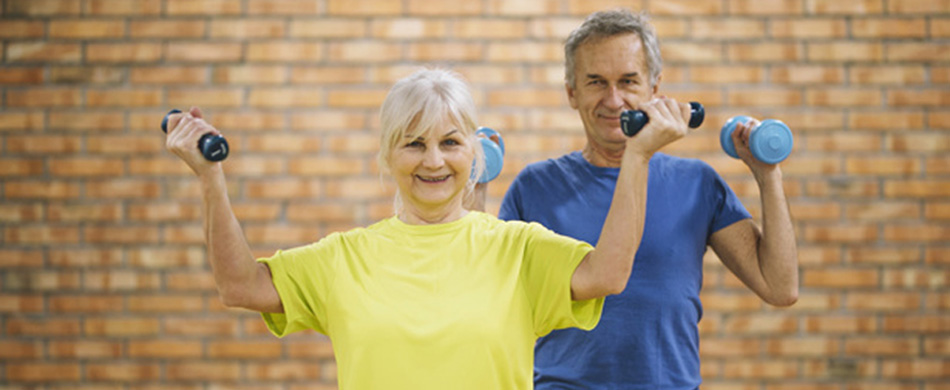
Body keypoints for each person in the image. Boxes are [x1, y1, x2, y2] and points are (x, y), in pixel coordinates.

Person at [163, 68, 691, 389]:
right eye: (413, 143)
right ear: (387, 157)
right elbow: (240, 285)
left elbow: (609, 272)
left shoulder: (517, 249)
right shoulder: (345, 257)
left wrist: (637, 158)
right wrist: (210, 177)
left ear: (474, 156)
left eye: (450, 142)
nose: (433, 160)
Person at [497, 9, 800, 390]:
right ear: (571, 92)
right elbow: (495, 302)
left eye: (628, 81)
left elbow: (780, 287)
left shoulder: (698, 184)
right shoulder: (534, 187)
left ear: (654, 88)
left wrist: (767, 175)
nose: (613, 99)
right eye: (596, 82)